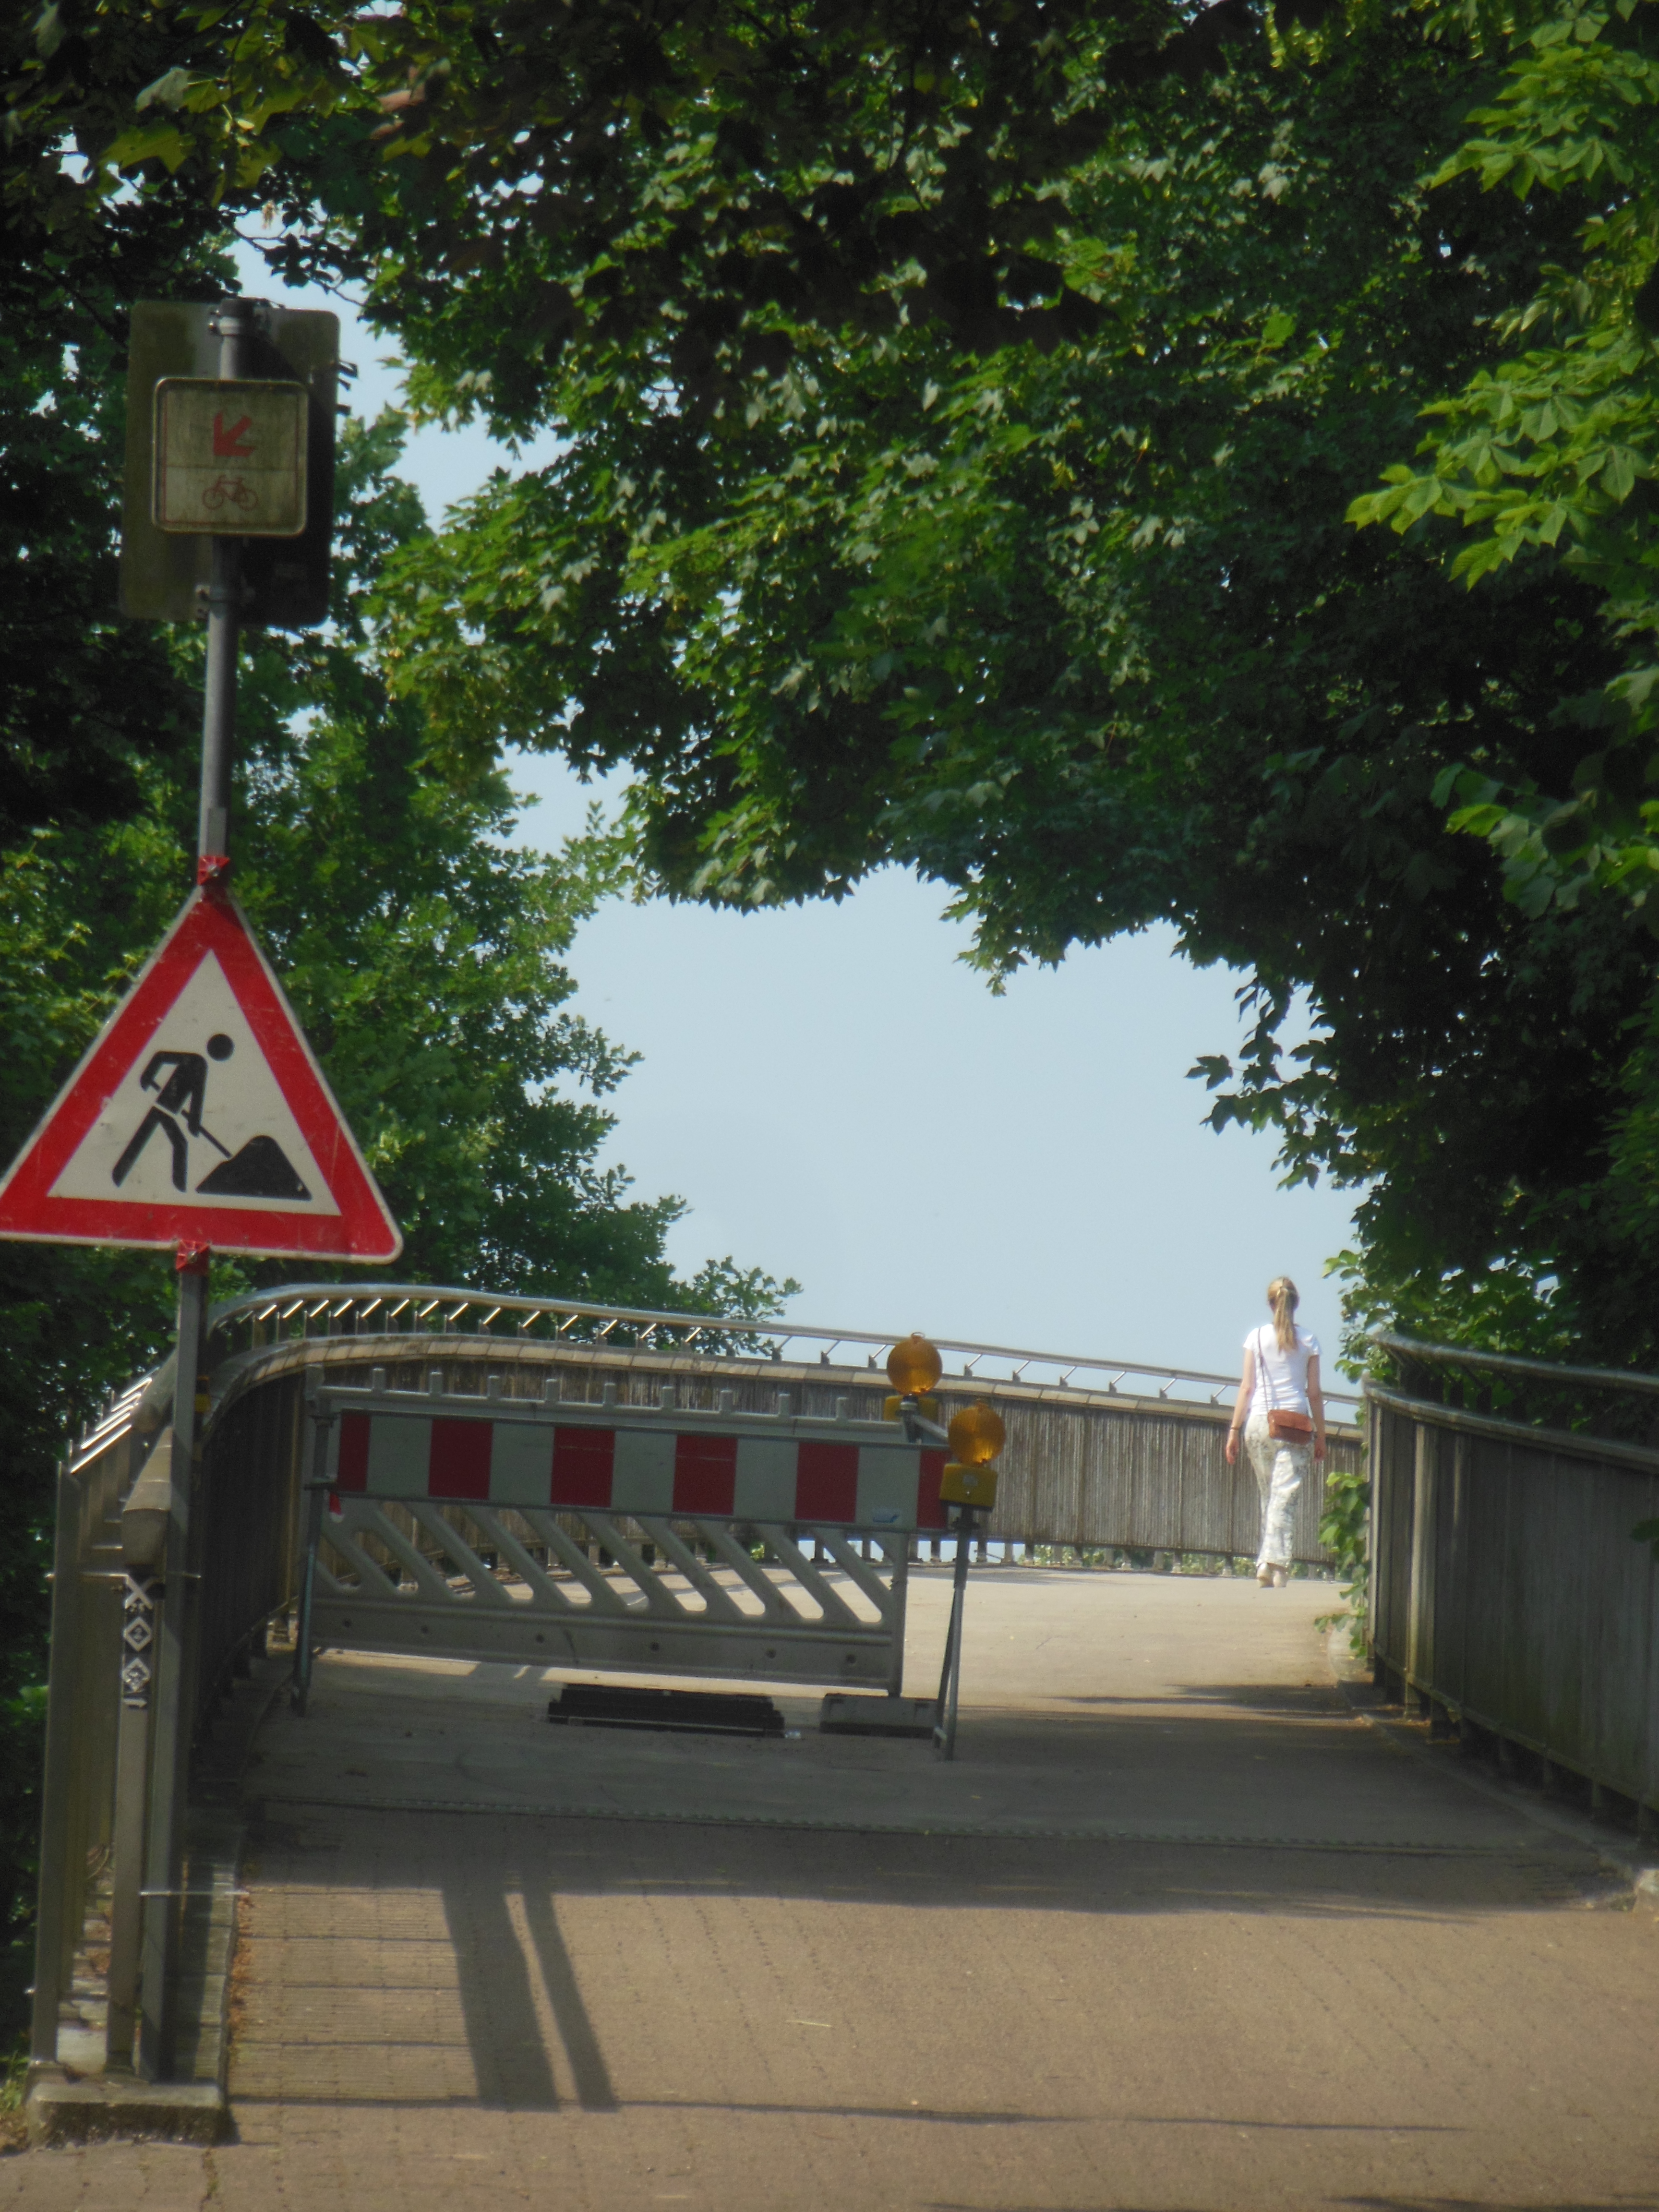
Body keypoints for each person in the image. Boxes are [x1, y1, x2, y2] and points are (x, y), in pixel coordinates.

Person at [1224, 1276, 1325, 1588]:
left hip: (1258, 1424)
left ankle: (1266, 1565)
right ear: (1296, 1303)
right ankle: (1277, 1566)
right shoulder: (1309, 1341)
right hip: (1294, 1425)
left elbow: (1247, 1387)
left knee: (1269, 1495)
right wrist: (1321, 1434)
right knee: (1285, 1497)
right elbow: (1314, 1394)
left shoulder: (1255, 1338)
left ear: (1271, 1304)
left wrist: (1234, 1430)